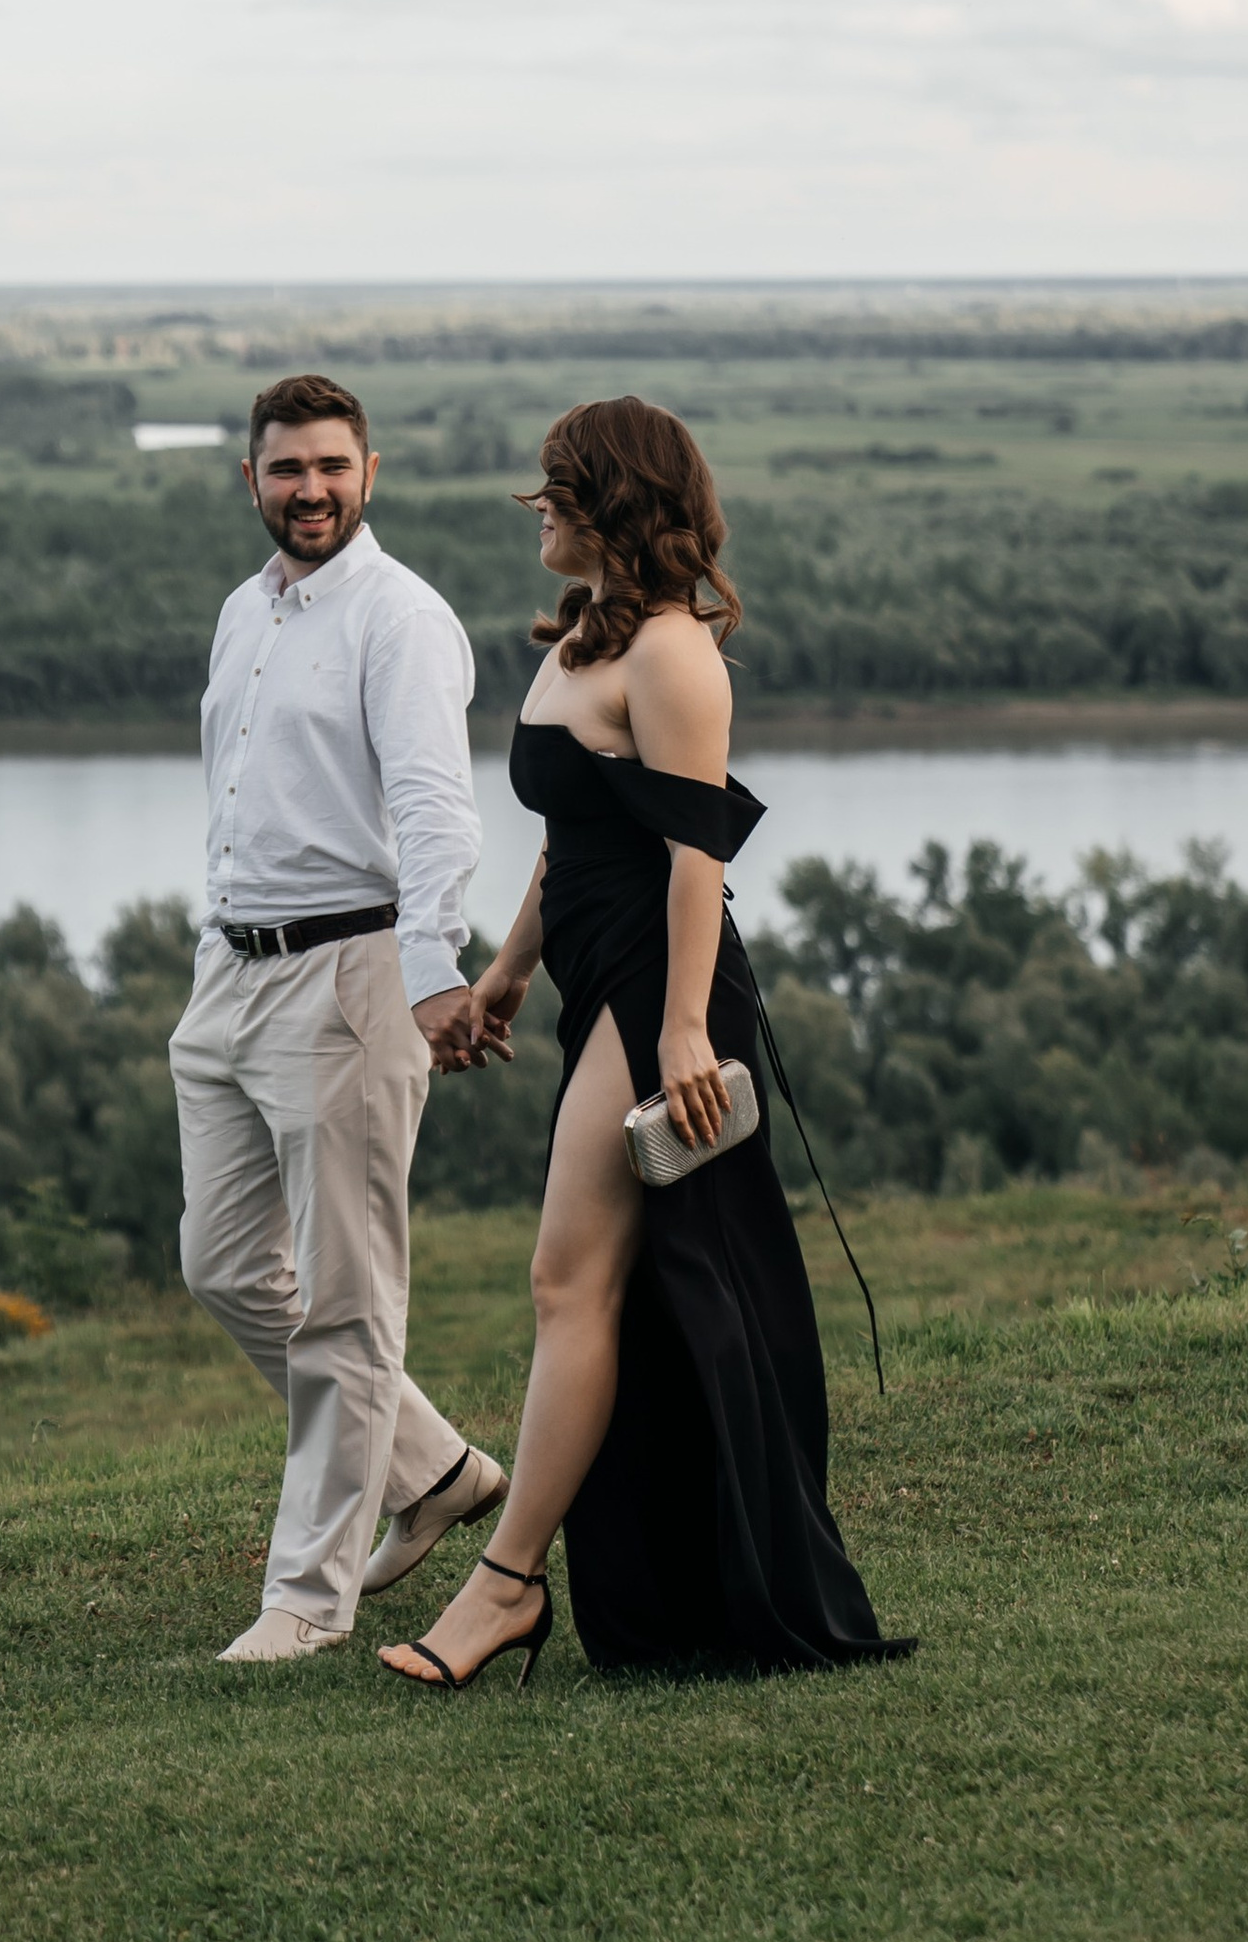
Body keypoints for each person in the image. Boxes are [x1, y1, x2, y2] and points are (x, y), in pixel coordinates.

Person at [378, 394, 911, 1691]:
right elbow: (577, 842)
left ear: (615, 503)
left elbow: (692, 859)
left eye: (558, 493)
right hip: (595, 979)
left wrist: (677, 1027)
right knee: (598, 1288)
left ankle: (503, 1586)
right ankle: (572, 1580)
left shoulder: (674, 655)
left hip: (660, 997)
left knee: (569, 1282)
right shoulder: (576, 643)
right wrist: (507, 973)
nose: (540, 514)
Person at [172, 372, 510, 1662]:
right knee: (221, 1264)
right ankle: (435, 1472)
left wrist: (434, 972)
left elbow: (436, 813)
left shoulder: (403, 621)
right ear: (250, 480)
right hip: (233, 972)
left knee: (347, 1304)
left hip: (354, 975)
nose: (308, 489)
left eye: (330, 467)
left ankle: (307, 1604)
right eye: (284, 469)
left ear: (371, 473)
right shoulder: (241, 614)